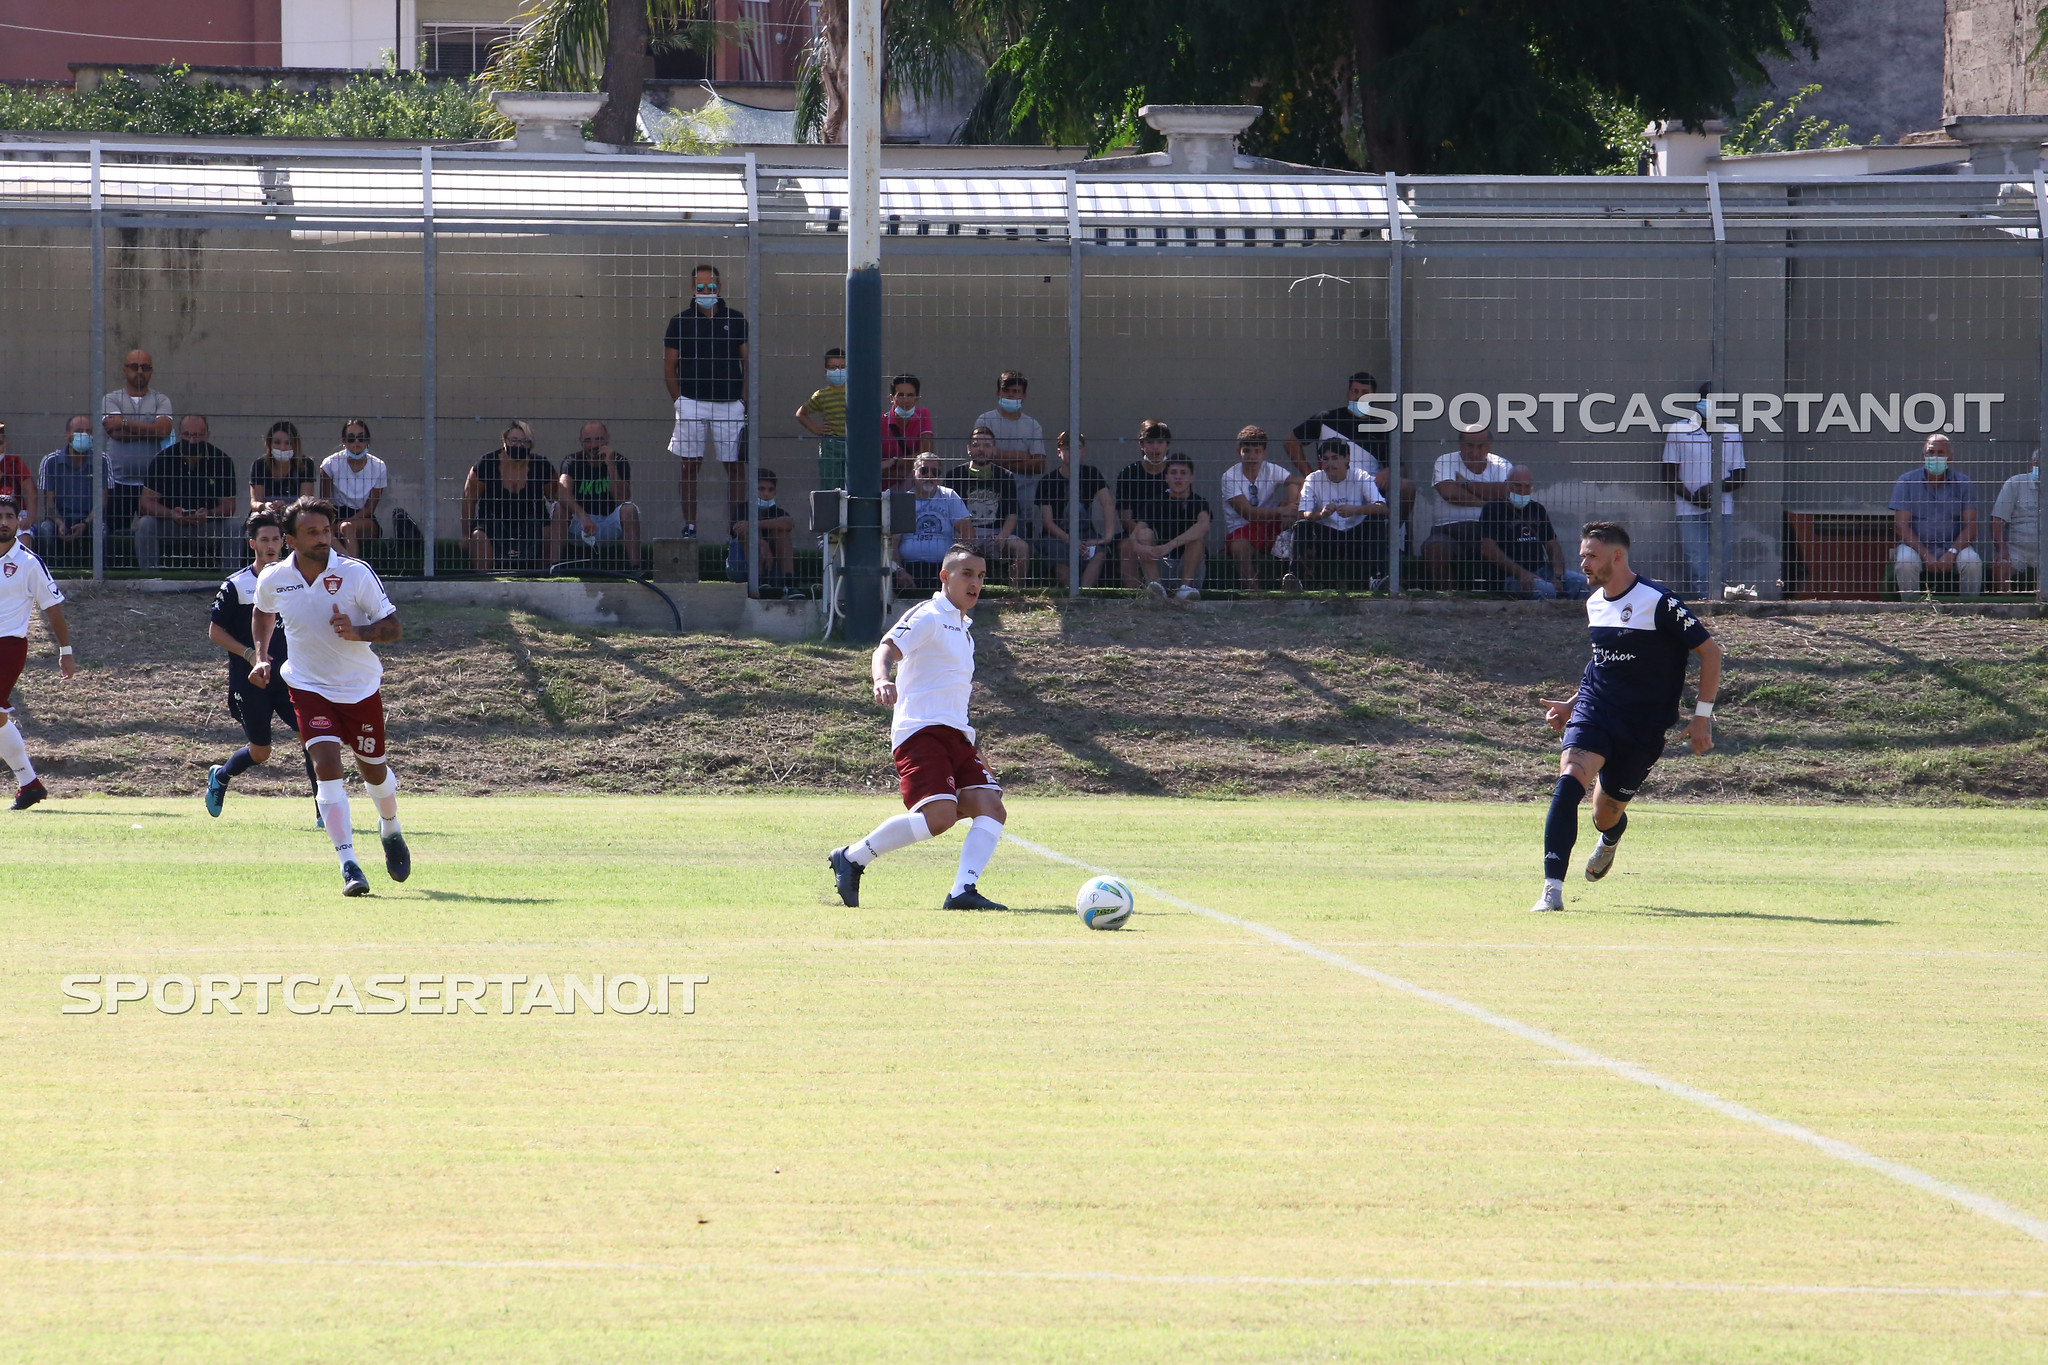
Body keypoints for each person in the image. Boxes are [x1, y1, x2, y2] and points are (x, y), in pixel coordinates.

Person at [1531, 522, 1721, 914]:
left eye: (1591, 555)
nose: (1583, 562)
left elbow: (1711, 653)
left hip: (1643, 725)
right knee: (1569, 782)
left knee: (1605, 814)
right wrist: (1571, 703)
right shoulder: (1594, 603)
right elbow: (1602, 663)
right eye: (1583, 554)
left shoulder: (1660, 601)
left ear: (1616, 557)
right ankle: (1552, 890)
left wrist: (1701, 717)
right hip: (1596, 712)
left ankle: (1611, 836)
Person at [828, 544, 1008, 911]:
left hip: (956, 736)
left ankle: (962, 892)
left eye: (981, 576)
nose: (975, 583)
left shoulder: (965, 629)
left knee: (991, 806)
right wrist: (881, 679)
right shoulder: (928, 615)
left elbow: (953, 696)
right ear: (944, 577)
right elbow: (886, 648)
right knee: (938, 818)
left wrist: (975, 749)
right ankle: (852, 857)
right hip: (921, 732)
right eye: (967, 574)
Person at [250, 497, 409, 897]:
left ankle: (390, 828)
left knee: (374, 771)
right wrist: (261, 654)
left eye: (327, 530)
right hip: (307, 686)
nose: (324, 538)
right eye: (313, 532)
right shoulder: (275, 578)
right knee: (325, 767)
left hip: (359, 689)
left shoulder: (355, 574)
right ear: (290, 540)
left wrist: (357, 632)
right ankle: (349, 864)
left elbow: (393, 628)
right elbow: (262, 611)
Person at [203, 509, 319, 821]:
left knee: (312, 740)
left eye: (275, 539)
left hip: (292, 678)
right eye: (263, 539)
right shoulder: (237, 585)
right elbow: (215, 631)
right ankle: (222, 775)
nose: (270, 545)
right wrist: (250, 655)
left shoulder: (297, 581)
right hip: (250, 681)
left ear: (285, 542)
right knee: (261, 752)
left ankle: (325, 810)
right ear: (252, 544)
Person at [0, 492, 75, 810]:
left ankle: (29, 784)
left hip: (8, 645)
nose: (3, 523)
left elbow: (53, 609)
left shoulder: (29, 563)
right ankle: (30, 785)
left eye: (9, 517)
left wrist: (66, 650)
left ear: (20, 521)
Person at [664, 263, 748, 539]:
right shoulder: (680, 321)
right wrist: (680, 402)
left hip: (730, 402)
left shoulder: (736, 319)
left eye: (711, 286)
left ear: (719, 287)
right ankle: (690, 526)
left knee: (735, 465)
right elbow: (669, 367)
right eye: (700, 287)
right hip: (691, 401)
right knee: (689, 465)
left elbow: (748, 362)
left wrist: (743, 402)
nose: (706, 291)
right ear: (692, 289)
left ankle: (736, 527)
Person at [1283, 370, 1414, 524]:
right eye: (1355, 391)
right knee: (1294, 489)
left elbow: (1402, 468)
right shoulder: (1326, 418)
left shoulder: (1381, 430)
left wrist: (1389, 471)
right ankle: (1291, 543)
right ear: (1348, 394)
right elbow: (1291, 441)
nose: (1359, 396)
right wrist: (1309, 474)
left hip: (1367, 488)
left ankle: (1393, 533)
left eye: (1365, 392)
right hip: (1329, 484)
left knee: (1407, 486)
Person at [1660, 382, 1747, 597]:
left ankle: (1719, 602)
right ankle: (1703, 604)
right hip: (1688, 508)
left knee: (1721, 560)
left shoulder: (1731, 432)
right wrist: (1692, 498)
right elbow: (1668, 474)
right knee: (1696, 561)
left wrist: (1713, 490)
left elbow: (1740, 476)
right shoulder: (1679, 430)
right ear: (1699, 401)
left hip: (1722, 508)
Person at [134, 414, 238, 572]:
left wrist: (208, 514)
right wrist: (172, 514)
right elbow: (146, 503)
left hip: (207, 525)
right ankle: (150, 578)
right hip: (171, 524)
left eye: (197, 435)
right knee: (145, 524)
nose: (192, 441)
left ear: (207, 435)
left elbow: (229, 506)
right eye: (188, 435)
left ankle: (230, 581)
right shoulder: (162, 460)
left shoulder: (222, 461)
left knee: (234, 527)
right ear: (179, 434)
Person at [1285, 438, 1385, 592]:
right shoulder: (1313, 479)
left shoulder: (1360, 475)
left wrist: (1355, 510)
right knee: (1301, 526)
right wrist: (1321, 514)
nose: (1329, 464)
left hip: (1356, 534)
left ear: (1347, 458)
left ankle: (1376, 578)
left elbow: (1383, 508)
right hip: (1326, 535)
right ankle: (1295, 578)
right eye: (1325, 459)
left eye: (1335, 458)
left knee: (1375, 520)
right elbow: (1302, 513)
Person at [1889, 434, 1981, 598]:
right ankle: (1911, 609)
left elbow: (1971, 526)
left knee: (1972, 562)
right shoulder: (1907, 482)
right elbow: (1901, 526)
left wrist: (1952, 552)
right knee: (1905, 563)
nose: (1935, 457)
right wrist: (1924, 553)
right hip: (1915, 547)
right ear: (1923, 456)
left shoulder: (1963, 483)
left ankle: (1970, 609)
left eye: (1940, 452)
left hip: (1954, 545)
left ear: (1950, 457)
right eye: (1930, 452)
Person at [462, 422, 562, 573]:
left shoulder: (541, 465)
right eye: (514, 440)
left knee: (548, 533)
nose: (519, 445)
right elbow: (469, 500)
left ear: (531, 444)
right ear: (504, 440)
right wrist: (465, 534)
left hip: (532, 521)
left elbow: (555, 496)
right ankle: (484, 581)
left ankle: (544, 580)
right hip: (493, 521)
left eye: (524, 441)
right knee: (478, 537)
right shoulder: (486, 464)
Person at [1422, 423, 1512, 590]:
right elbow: (1449, 493)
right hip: (1448, 530)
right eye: (1469, 445)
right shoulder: (1446, 460)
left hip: (1490, 531)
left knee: (1512, 545)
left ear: (1489, 446)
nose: (1475, 451)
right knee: (1435, 548)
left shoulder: (1501, 464)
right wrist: (1488, 504)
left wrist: (1465, 484)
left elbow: (1506, 493)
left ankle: (1501, 594)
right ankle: (1448, 599)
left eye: (1481, 446)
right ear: (1460, 445)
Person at [1479, 465, 1587, 600]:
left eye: (1527, 487)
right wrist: (1522, 574)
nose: (1522, 491)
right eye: (1518, 486)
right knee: (1546, 591)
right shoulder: (1493, 509)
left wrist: (1558, 576)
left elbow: (1553, 546)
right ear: (1507, 485)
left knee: (1581, 583)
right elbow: (1488, 549)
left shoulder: (1537, 509)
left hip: (1541, 571)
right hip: (1510, 576)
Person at [100, 348, 173, 534]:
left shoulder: (161, 400)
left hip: (152, 485)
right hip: (117, 482)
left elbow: (164, 431)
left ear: (151, 371)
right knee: (115, 533)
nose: (140, 371)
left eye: (145, 367)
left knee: (152, 532)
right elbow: (114, 432)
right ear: (125, 370)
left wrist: (124, 422)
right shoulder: (111, 399)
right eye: (134, 367)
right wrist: (150, 429)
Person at [946, 427, 1030, 585]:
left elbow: (1012, 514)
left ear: (994, 450)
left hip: (995, 533)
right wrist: (966, 536)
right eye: (976, 445)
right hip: (964, 533)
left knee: (1022, 547)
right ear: (969, 449)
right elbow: (949, 514)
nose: (981, 450)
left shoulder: (1005, 476)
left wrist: (1003, 536)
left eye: (987, 446)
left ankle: (1016, 592)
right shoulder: (955, 475)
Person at [1219, 426, 1298, 591]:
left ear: (1264, 453)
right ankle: (1255, 594)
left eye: (1257, 451)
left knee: (1293, 487)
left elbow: (1300, 481)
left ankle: (1296, 583)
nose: (1252, 457)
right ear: (1239, 451)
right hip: (1243, 531)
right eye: (1247, 451)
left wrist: (1289, 505)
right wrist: (1281, 511)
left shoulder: (1271, 469)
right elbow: (1248, 514)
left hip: (1274, 526)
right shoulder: (1229, 476)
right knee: (1238, 547)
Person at [557, 421, 643, 572]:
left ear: (607, 439)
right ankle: (552, 567)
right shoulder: (572, 461)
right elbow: (562, 492)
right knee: (558, 508)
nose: (594, 445)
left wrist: (610, 464)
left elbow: (622, 498)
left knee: (629, 509)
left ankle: (636, 568)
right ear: (580, 441)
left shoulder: (619, 461)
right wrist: (582, 515)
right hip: (581, 524)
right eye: (588, 440)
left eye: (598, 439)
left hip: (607, 523)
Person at [1035, 431, 1116, 589]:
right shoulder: (1047, 481)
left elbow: (1108, 503)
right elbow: (1048, 523)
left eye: (1077, 448)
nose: (1072, 452)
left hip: (1085, 534)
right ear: (1059, 452)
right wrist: (1070, 540)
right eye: (1067, 448)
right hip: (1057, 536)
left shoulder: (1091, 474)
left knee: (1099, 552)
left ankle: (1083, 594)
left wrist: (1107, 536)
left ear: (1083, 451)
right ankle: (1069, 594)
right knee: (1059, 553)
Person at [1131, 454, 1210, 600]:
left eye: (1183, 473)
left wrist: (1169, 546)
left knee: (1197, 540)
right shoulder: (1155, 502)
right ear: (1166, 477)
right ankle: (1156, 588)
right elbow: (1135, 535)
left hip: (1190, 569)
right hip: (1162, 564)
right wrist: (1141, 548)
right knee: (1144, 534)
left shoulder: (1199, 502)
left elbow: (1204, 526)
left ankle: (1185, 590)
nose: (1178, 478)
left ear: (1191, 478)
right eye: (1173, 473)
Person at [891, 454, 972, 595]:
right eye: (924, 471)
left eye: (935, 472)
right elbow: (892, 545)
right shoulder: (904, 501)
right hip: (909, 567)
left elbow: (968, 534)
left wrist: (958, 566)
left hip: (944, 567)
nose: (929, 475)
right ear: (914, 473)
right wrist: (900, 571)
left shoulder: (949, 496)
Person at [35, 416, 111, 564]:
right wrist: (59, 523)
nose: (84, 435)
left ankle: (100, 578)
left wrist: (85, 523)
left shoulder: (102, 460)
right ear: (67, 435)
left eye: (88, 432)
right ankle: (51, 575)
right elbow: (49, 504)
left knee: (101, 529)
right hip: (59, 518)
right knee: (44, 530)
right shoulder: (51, 461)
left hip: (89, 519)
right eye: (79, 431)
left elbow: (102, 503)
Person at [973, 370, 1046, 510]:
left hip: (1025, 497)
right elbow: (980, 458)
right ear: (998, 393)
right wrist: (1023, 456)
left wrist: (998, 460)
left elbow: (1039, 465)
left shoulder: (1033, 425)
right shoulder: (985, 421)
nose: (1011, 395)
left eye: (1016, 391)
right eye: (1006, 390)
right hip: (991, 495)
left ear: (1024, 395)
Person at [318, 420, 388, 560]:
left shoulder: (379, 466)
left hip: (362, 517)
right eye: (351, 438)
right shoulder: (330, 464)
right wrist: (333, 523)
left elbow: (370, 508)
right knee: (324, 531)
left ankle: (352, 565)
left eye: (361, 438)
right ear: (343, 441)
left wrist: (345, 522)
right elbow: (325, 502)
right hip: (336, 513)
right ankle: (351, 562)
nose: (356, 442)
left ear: (367, 441)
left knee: (346, 527)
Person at [1115, 420, 1173, 587]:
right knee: (1127, 547)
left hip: (1171, 533)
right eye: (1149, 442)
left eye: (1160, 442)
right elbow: (1125, 519)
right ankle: (1134, 599)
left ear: (1167, 445)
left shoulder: (1176, 472)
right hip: (1135, 533)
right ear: (1141, 445)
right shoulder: (1128, 474)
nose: (1155, 447)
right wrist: (1144, 536)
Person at [732, 468, 796, 595]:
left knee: (782, 533)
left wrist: (755, 524)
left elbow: (789, 523)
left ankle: (790, 585)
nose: (766, 494)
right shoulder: (743, 508)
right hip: (742, 563)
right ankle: (759, 583)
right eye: (761, 489)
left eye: (770, 490)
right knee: (750, 535)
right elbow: (737, 530)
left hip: (773, 559)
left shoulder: (777, 511)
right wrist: (761, 543)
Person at [795, 347, 849, 489]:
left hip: (854, 444)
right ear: (826, 371)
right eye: (833, 367)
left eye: (842, 367)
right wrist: (815, 428)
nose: (838, 371)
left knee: (852, 486)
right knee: (830, 486)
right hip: (831, 445)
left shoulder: (856, 392)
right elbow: (801, 413)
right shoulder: (821, 395)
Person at [1991, 449, 2038, 594]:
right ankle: (2004, 607)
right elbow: (1997, 518)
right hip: (2016, 549)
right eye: (2038, 463)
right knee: (1998, 566)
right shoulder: (2015, 483)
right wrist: (2001, 549)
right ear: (2032, 465)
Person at [250, 421, 317, 514]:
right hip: (266, 514)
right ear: (269, 444)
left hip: (294, 514)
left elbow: (305, 502)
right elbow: (255, 502)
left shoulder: (306, 464)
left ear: (295, 445)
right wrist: (265, 506)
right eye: (277, 442)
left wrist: (285, 507)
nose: (282, 447)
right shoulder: (259, 465)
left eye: (288, 443)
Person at [881, 374, 934, 490]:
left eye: (910, 395)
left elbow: (926, 454)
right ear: (891, 398)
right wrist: (908, 469)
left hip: (915, 491)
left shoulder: (923, 414)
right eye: (900, 395)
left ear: (917, 398)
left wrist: (893, 462)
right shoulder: (880, 422)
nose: (905, 400)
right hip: (884, 491)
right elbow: (874, 469)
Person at [0, 421, 38, 549]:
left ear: (5, 445)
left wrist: (30, 517)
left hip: (14, 513)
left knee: (23, 541)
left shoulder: (14, 462)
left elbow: (30, 491)